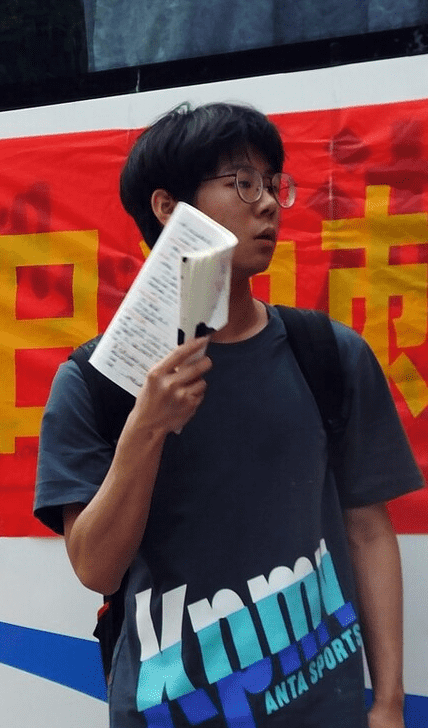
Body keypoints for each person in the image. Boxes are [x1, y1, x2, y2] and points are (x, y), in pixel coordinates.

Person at [34, 102, 423, 727]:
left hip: (326, 709)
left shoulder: (328, 354)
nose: (267, 203)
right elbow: (96, 566)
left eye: (273, 183)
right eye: (242, 182)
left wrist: (387, 702)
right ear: (169, 208)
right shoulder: (94, 384)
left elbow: (370, 532)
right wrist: (147, 425)